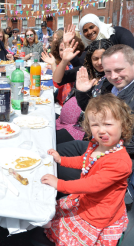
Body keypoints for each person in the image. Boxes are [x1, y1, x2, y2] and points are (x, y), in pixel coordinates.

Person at [41, 94, 133, 246]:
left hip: (98, 212)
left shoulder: (120, 162)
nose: (101, 130)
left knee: (64, 231)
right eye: (95, 125)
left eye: (108, 124)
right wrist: (61, 160)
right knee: (54, 211)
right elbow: (84, 161)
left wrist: (60, 184)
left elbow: (92, 185)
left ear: (123, 125)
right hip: (86, 199)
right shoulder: (97, 145)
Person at [57, 44, 134, 183]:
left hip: (114, 160)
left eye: (119, 70)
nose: (114, 76)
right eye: (108, 71)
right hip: (94, 145)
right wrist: (82, 92)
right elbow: (92, 112)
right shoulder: (107, 83)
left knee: (54, 170)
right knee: (50, 154)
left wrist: (99, 152)